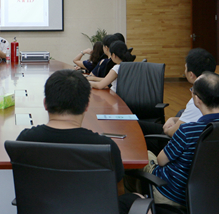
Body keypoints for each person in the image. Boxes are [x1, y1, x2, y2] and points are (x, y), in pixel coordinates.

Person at [16, 69, 147, 213]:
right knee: (138, 199)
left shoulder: (25, 140)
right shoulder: (105, 146)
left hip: (43, 209)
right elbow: (116, 192)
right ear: (86, 106)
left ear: (45, 103)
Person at [132, 71, 219, 208]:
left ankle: (139, 201)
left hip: (172, 193)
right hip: (209, 193)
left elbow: (161, 161)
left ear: (197, 100)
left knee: (141, 155)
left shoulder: (187, 131)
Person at [138, 48, 217, 154]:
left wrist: (167, 129)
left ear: (191, 75)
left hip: (173, 146)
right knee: (137, 124)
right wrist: (173, 119)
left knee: (137, 139)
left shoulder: (197, 100)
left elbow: (175, 132)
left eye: (185, 67)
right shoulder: (214, 94)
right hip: (187, 139)